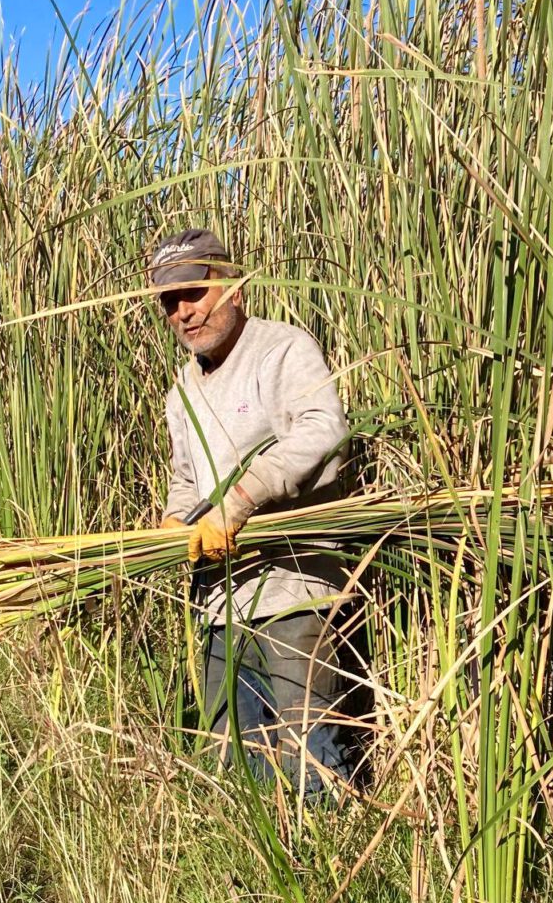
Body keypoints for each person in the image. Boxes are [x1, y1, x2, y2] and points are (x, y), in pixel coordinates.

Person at [150, 228, 364, 795]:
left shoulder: (281, 350)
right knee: (230, 758)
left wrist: (240, 500)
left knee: (311, 755)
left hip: (293, 589)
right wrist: (176, 523)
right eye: (170, 303)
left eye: (194, 292)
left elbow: (324, 431)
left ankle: (328, 872)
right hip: (220, 602)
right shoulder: (183, 391)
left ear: (234, 286)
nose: (184, 313)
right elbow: (186, 479)